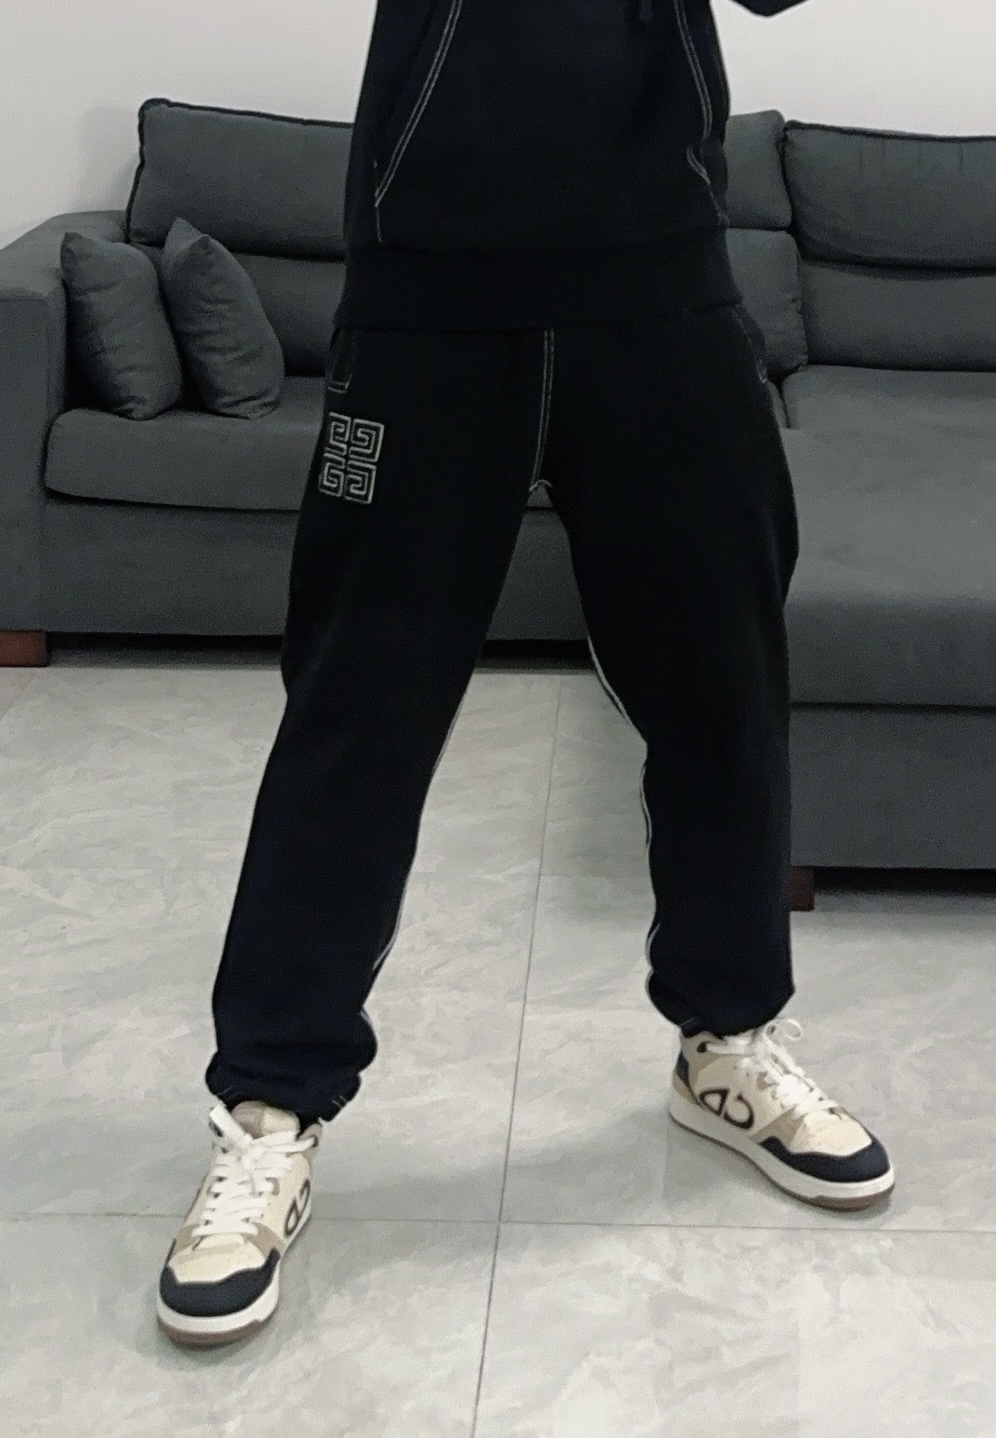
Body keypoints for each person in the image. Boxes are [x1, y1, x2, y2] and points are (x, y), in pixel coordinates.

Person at [156, 0, 894, 1349]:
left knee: (726, 692)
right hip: (429, 297)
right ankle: (270, 1102)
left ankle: (728, 1039)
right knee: (356, 719)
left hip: (663, 285)